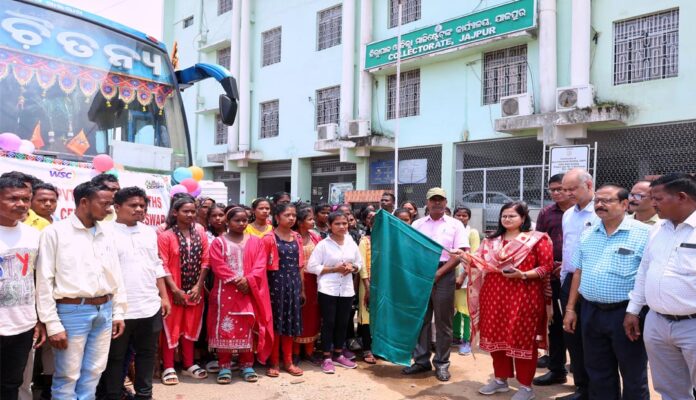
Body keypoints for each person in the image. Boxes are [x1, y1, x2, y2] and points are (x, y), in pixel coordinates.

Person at [36, 181, 126, 399]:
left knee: (94, 372)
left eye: (111, 204)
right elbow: (44, 280)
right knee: (67, 375)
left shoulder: (106, 233)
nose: (110, 209)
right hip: (71, 312)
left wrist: (118, 312)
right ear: (84, 202)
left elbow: (116, 275)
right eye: (105, 204)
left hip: (104, 310)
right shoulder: (55, 233)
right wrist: (52, 323)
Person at [562, 183, 650, 400]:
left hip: (626, 314)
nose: (600, 205)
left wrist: (635, 312)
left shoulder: (645, 234)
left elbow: (648, 276)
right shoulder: (588, 233)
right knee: (598, 370)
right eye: (597, 201)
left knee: (632, 372)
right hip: (591, 311)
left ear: (625, 204)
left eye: (607, 200)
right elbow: (578, 272)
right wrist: (571, 309)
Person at [461, 201, 553, 400]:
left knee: (523, 340)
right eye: (504, 215)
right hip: (493, 297)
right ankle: (500, 380)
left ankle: (526, 387)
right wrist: (464, 256)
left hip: (524, 297)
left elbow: (546, 267)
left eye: (512, 215)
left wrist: (523, 274)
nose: (507, 219)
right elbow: (479, 262)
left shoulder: (537, 239)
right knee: (496, 338)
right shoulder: (491, 241)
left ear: (523, 218)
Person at [625, 173, 696, 400]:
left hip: (692, 325)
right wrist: (633, 310)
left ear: (682, 197)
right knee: (669, 390)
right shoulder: (657, 228)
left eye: (658, 198)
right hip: (657, 323)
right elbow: (645, 270)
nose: (653, 204)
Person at [100, 187, 171, 400]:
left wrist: (164, 297)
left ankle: (144, 395)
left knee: (147, 355)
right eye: (133, 205)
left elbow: (156, 265)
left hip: (149, 305)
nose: (139, 209)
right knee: (115, 357)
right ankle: (113, 395)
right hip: (119, 309)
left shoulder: (149, 232)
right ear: (117, 207)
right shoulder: (104, 232)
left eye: (142, 205)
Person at [402, 187, 469, 382]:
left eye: (440, 199)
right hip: (420, 273)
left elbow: (460, 253)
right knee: (421, 319)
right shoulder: (417, 224)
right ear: (427, 202)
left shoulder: (455, 224)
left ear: (446, 202)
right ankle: (421, 361)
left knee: (443, 322)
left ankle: (442, 363)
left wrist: (438, 274)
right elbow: (410, 249)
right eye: (433, 199)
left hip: (445, 273)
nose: (437, 203)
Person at [207, 207, 273, 384]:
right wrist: (238, 280)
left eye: (245, 220)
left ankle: (246, 364)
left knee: (248, 324)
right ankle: (224, 365)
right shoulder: (219, 242)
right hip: (225, 292)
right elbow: (217, 265)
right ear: (227, 222)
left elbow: (260, 264)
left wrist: (248, 280)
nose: (242, 223)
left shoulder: (256, 241)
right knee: (225, 328)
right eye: (237, 220)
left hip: (249, 290)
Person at [0, 176, 46, 400]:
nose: (21, 204)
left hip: (22, 325)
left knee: (11, 383)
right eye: (13, 198)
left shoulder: (34, 236)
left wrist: (39, 319)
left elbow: (40, 279)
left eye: (26, 199)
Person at [158, 196, 210, 384]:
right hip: (173, 291)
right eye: (185, 211)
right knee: (171, 327)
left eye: (192, 211)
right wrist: (175, 290)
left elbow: (206, 260)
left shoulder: (201, 233)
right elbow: (162, 264)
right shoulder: (165, 236)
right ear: (175, 212)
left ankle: (188, 364)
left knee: (191, 326)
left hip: (195, 291)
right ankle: (169, 366)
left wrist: (198, 286)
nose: (190, 214)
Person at [307, 211, 363, 374]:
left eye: (344, 223)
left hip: (346, 289)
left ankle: (338, 354)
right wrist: (334, 269)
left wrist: (352, 267)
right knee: (329, 323)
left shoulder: (351, 242)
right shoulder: (323, 245)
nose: (342, 226)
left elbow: (359, 263)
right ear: (329, 225)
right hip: (328, 289)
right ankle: (326, 357)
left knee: (343, 323)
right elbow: (311, 266)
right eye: (337, 224)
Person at [558, 168, 597, 400]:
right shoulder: (568, 215)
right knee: (572, 335)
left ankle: (598, 389)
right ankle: (582, 387)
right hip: (569, 280)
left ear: (589, 185)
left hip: (594, 281)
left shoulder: (600, 212)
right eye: (565, 189)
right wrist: (564, 276)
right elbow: (568, 248)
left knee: (592, 338)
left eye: (572, 189)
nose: (568, 193)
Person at [533, 173, 575, 386]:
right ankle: (557, 369)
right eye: (553, 190)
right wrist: (549, 266)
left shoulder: (584, 212)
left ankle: (579, 370)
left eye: (561, 189)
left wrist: (567, 265)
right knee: (555, 323)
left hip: (578, 275)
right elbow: (539, 242)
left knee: (578, 324)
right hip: (553, 275)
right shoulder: (546, 213)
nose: (557, 193)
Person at [261, 203, 305, 377]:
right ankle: (274, 362)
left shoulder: (297, 237)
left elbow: (300, 265)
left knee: (290, 323)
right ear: (277, 217)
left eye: (294, 215)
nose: (292, 218)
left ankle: (288, 361)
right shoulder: (268, 238)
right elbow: (262, 266)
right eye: (287, 215)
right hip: (274, 285)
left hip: (293, 284)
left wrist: (302, 289)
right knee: (276, 324)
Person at [292, 206, 322, 365]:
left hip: (314, 281)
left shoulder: (316, 237)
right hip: (295, 280)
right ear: (300, 222)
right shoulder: (291, 237)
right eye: (309, 219)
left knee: (312, 316)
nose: (313, 221)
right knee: (297, 315)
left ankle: (309, 352)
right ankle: (295, 352)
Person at [452, 206, 480, 356]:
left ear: (468, 218)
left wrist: (463, 276)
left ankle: (466, 340)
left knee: (465, 309)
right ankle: (456, 335)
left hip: (465, 277)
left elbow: (474, 257)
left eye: (464, 215)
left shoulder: (472, 232)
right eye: (458, 215)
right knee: (455, 307)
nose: (461, 218)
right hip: (449, 275)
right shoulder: (451, 230)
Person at [357, 209, 377, 364]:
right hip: (367, 283)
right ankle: (367, 348)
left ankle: (379, 348)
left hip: (385, 285)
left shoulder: (388, 242)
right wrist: (368, 287)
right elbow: (361, 265)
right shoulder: (365, 241)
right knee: (366, 315)